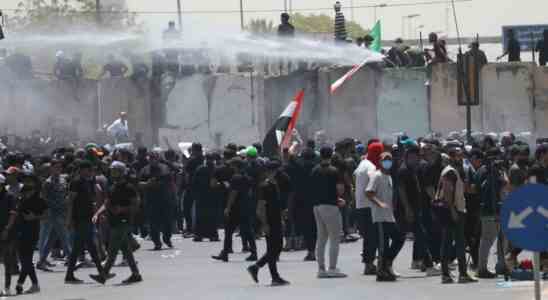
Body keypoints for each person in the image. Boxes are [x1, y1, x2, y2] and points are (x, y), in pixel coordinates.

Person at [92, 161, 142, 285]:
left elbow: (136, 204)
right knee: (126, 250)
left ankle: (103, 274)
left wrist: (122, 209)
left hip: (123, 221)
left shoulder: (128, 188)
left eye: (116, 171)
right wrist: (98, 213)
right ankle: (136, 274)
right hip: (113, 221)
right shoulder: (112, 187)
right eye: (112, 171)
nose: (113, 173)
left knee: (112, 249)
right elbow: (107, 203)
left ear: (122, 172)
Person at [435, 148, 477, 284]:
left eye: (461, 155)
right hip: (453, 211)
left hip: (453, 209)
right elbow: (447, 192)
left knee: (448, 242)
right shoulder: (451, 171)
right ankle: (462, 274)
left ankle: (447, 274)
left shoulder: (453, 170)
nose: (461, 158)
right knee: (458, 243)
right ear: (452, 157)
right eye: (458, 155)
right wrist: (453, 211)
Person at [247, 160, 290, 287]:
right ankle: (274, 277)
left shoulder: (274, 185)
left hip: (276, 219)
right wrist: (265, 224)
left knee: (277, 247)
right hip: (270, 221)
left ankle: (256, 267)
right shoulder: (264, 186)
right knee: (273, 248)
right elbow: (260, 208)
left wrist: (281, 218)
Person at [65, 160, 108, 284]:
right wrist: (69, 219)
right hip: (80, 218)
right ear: (82, 170)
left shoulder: (89, 182)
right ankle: (101, 273)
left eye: (91, 170)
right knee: (88, 247)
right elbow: (71, 201)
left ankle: (71, 275)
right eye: (88, 170)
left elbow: (92, 200)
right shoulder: (76, 183)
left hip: (88, 218)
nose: (90, 172)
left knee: (85, 246)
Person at [367, 152, 405, 282]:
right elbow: (369, 193)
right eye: (385, 160)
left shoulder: (388, 176)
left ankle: (387, 263)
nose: (387, 162)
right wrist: (380, 203)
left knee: (399, 238)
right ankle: (381, 272)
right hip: (380, 217)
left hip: (389, 216)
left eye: (389, 160)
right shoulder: (376, 176)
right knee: (383, 245)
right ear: (380, 161)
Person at [212, 157, 258, 262]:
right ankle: (254, 253)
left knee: (228, 231)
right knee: (248, 231)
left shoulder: (235, 178)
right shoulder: (247, 177)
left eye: (232, 165)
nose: (231, 167)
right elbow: (250, 192)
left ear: (236, 166)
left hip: (235, 208)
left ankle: (225, 253)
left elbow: (233, 194)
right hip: (245, 207)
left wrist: (228, 207)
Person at [312, 146, 347, 278]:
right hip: (330, 206)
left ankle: (321, 269)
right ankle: (332, 268)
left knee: (321, 238)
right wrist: (339, 198)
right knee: (334, 238)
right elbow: (340, 190)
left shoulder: (314, 170)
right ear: (331, 155)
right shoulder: (334, 171)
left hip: (317, 206)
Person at [37, 159, 72, 271]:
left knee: (52, 238)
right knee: (64, 236)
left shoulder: (63, 180)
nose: (58, 169)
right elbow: (43, 198)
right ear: (51, 169)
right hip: (52, 213)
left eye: (59, 167)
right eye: (55, 167)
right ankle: (72, 259)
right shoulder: (48, 183)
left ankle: (41, 261)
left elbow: (66, 194)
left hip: (62, 212)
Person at [15, 173, 47, 294]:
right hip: (20, 230)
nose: (27, 183)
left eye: (29, 181)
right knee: (24, 259)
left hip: (32, 231)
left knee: (26, 259)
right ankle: (22, 284)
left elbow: (46, 215)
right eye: (25, 180)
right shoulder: (22, 195)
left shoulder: (39, 199)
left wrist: (35, 217)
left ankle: (30, 284)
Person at [354, 142, 381, 275]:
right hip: (370, 206)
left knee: (368, 237)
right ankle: (369, 264)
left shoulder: (362, 164)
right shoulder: (371, 167)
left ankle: (368, 263)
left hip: (360, 205)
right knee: (373, 237)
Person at [139, 151, 173, 251]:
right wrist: (147, 184)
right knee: (153, 223)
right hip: (151, 200)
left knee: (167, 222)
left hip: (164, 199)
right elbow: (139, 183)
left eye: (154, 157)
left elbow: (168, 182)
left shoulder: (164, 168)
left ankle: (167, 239)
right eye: (150, 158)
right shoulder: (144, 170)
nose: (152, 159)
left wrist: (155, 184)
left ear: (158, 158)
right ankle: (157, 242)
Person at [0, 174, 17, 296]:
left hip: (7, 232)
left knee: (7, 261)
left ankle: (7, 287)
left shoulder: (9, 197)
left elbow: (13, 214)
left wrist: (7, 229)